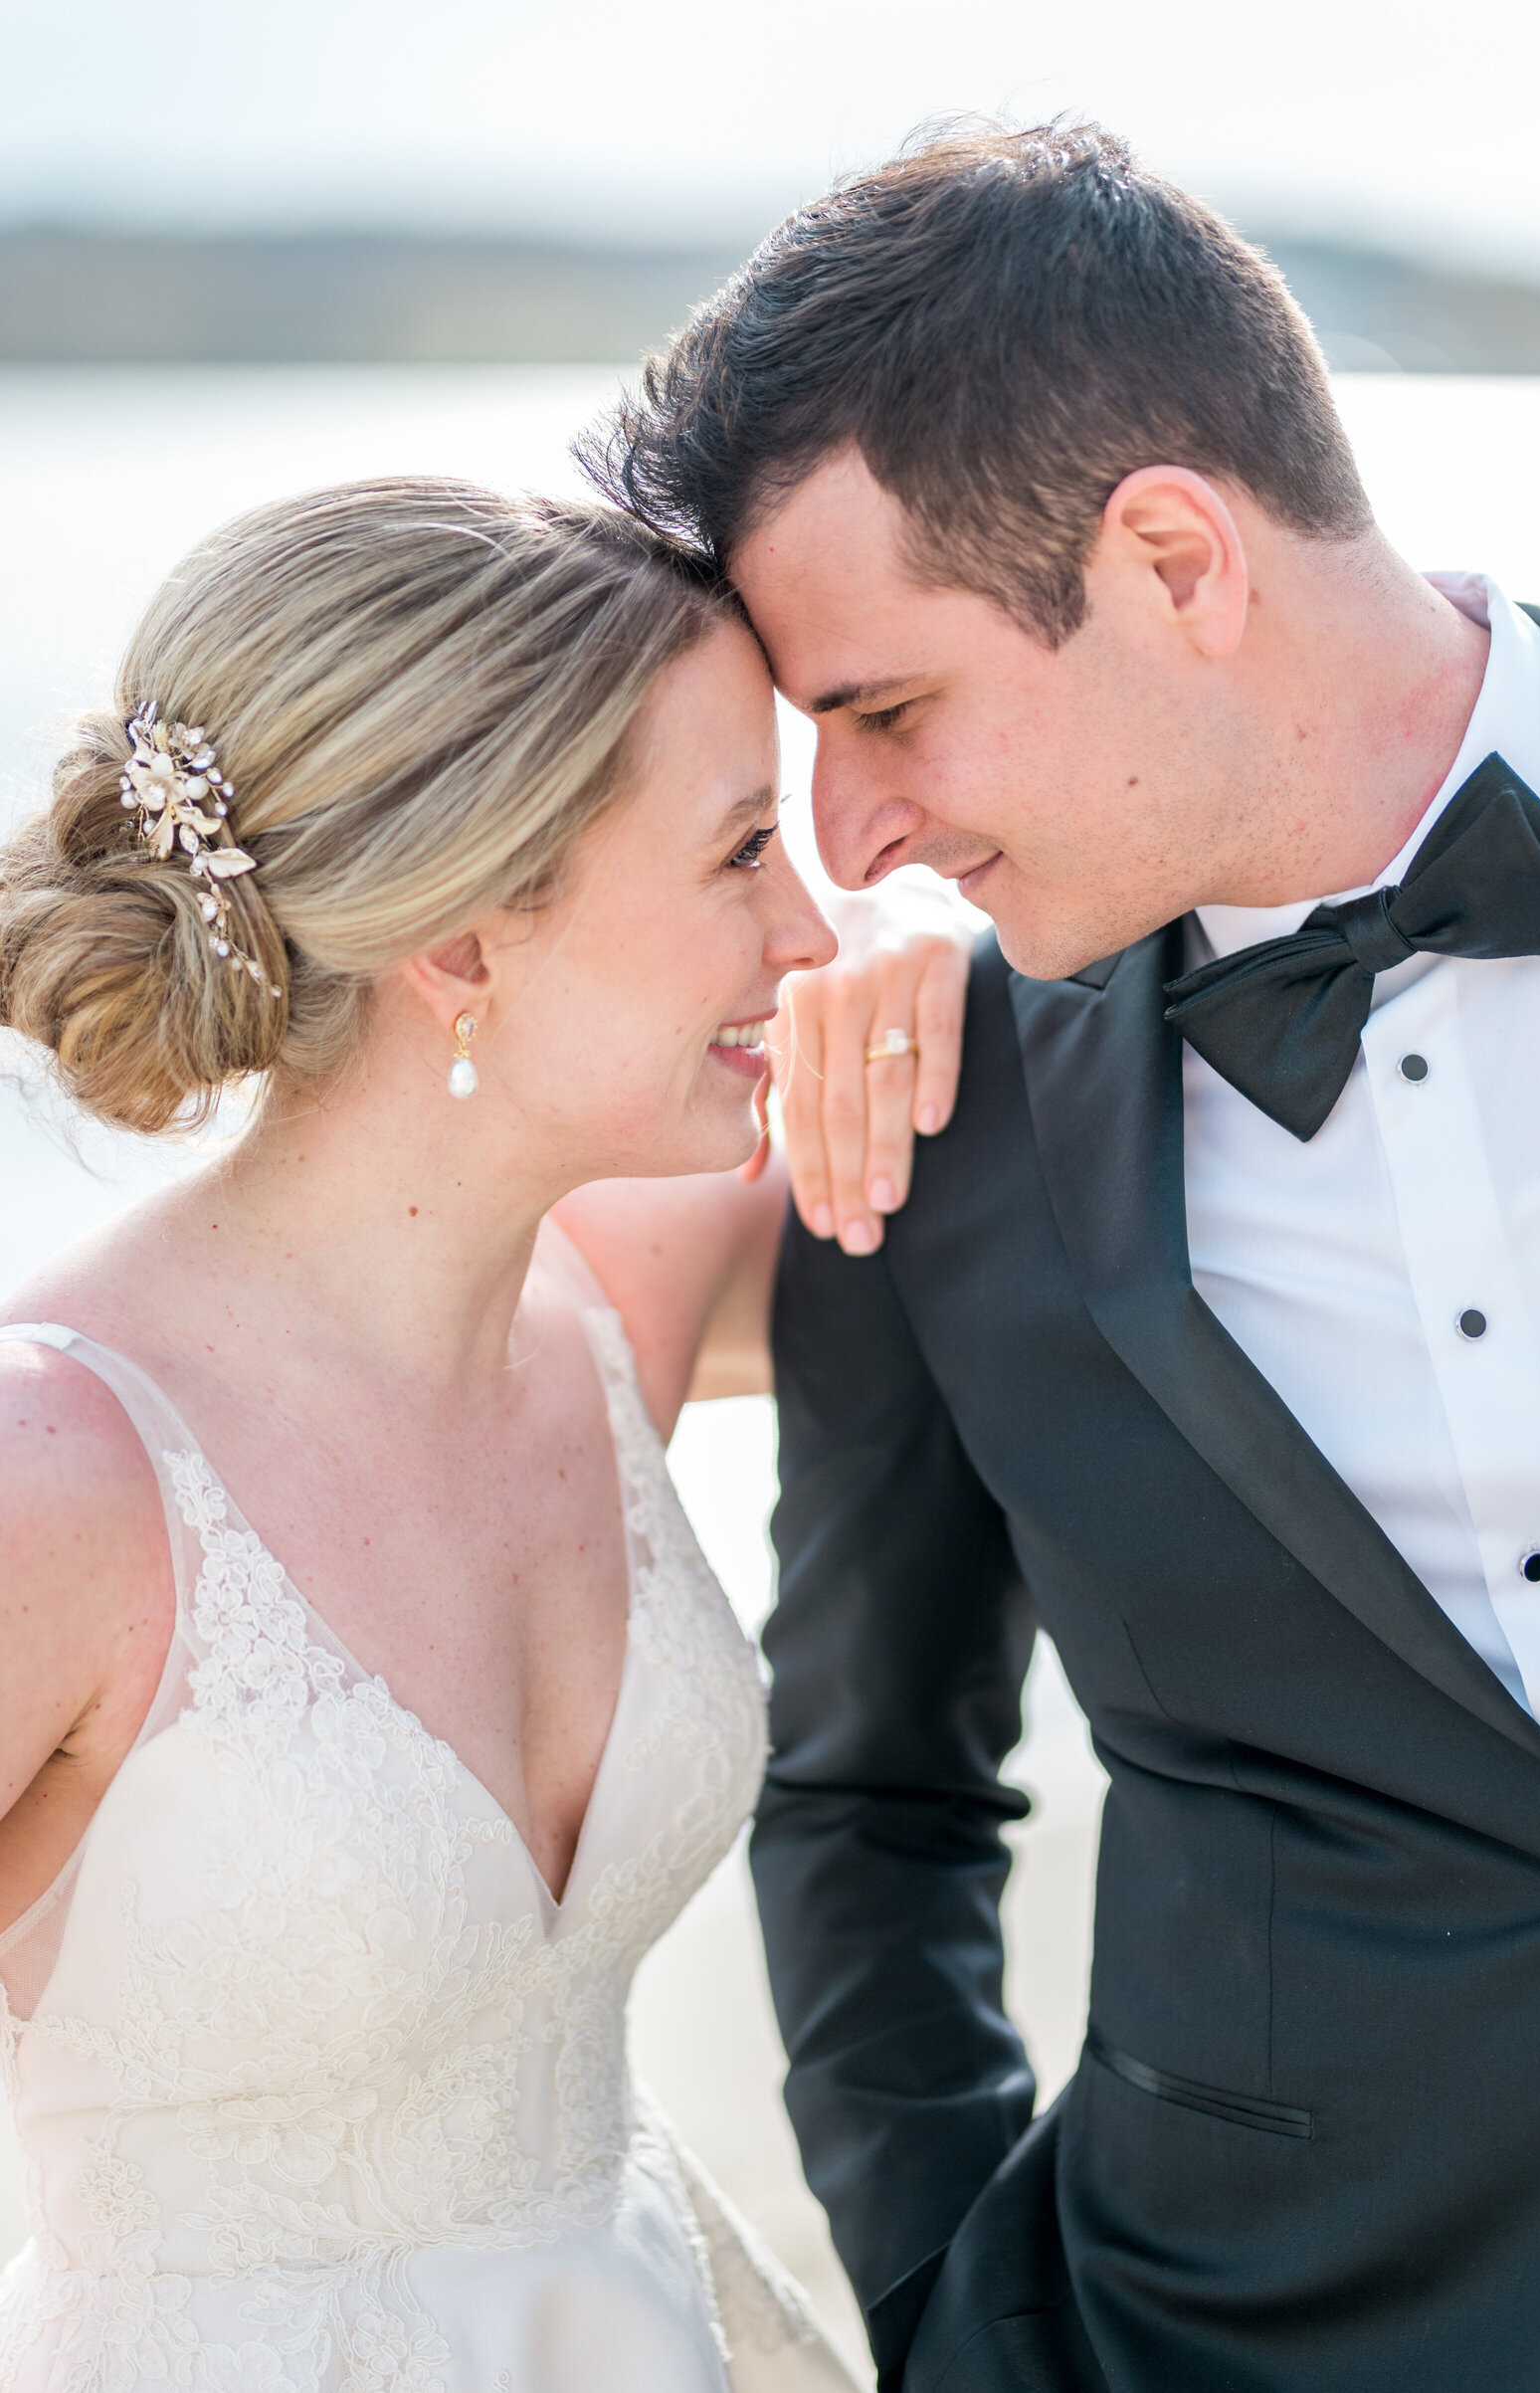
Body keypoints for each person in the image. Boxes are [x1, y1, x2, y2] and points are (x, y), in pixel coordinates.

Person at [592, 117, 1540, 2393]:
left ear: (1167, 556)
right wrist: (962, 2319)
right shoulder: (929, 1119)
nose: (849, 841)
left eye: (884, 711)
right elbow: (870, 1791)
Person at [0, 476, 971, 2393]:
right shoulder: (60, 1474)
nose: (810, 925)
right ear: (464, 941)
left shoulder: (622, 1290)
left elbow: (1010, 1197)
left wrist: (943, 959)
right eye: (740, 854)